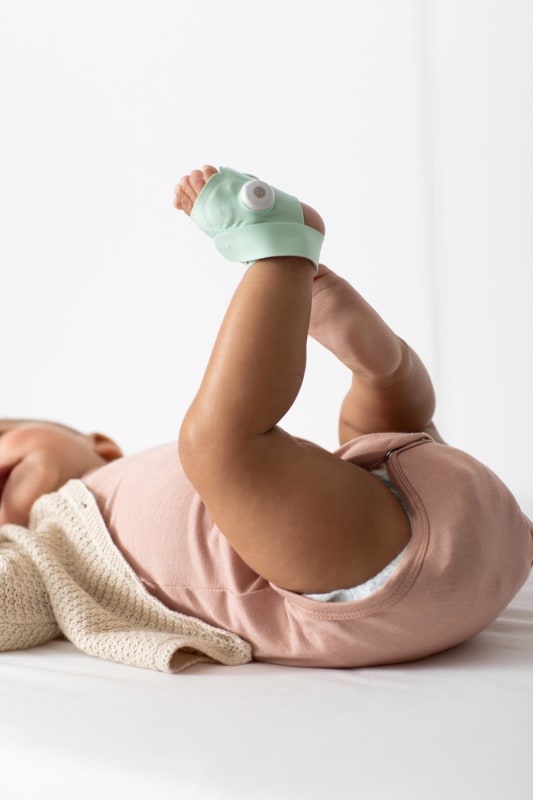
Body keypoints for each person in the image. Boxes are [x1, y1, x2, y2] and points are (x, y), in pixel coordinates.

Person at [0, 165, 531, 672]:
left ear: (102, 445)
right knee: (215, 445)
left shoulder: (107, 480)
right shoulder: (44, 551)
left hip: (399, 498)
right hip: (362, 580)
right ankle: (287, 259)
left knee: (361, 440)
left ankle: (381, 377)